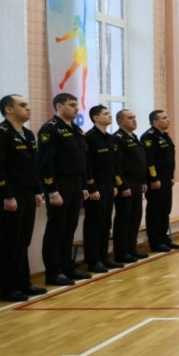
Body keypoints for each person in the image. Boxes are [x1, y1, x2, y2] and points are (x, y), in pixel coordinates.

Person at [38, 93, 91, 285]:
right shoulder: (50, 129)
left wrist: (83, 185)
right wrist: (52, 190)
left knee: (69, 228)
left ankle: (68, 267)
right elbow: (45, 163)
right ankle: (53, 272)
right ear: (59, 106)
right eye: (72, 105)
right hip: (59, 185)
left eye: (77, 105)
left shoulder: (76, 129)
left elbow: (81, 161)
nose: (76, 108)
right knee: (56, 229)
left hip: (75, 184)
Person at [0, 94, 46, 301]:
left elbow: (32, 165)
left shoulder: (27, 133)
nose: (28, 108)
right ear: (9, 110)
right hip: (11, 195)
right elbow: (0, 167)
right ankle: (8, 288)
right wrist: (7, 195)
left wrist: (37, 191)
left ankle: (24, 283)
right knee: (9, 242)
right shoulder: (2, 133)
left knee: (23, 241)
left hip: (27, 194)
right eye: (23, 105)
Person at [83, 105, 121, 273]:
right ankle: (93, 260)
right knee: (94, 224)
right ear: (96, 118)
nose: (110, 115)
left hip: (108, 186)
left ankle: (104, 257)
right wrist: (91, 187)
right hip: (96, 187)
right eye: (106, 114)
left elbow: (113, 165)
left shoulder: (110, 138)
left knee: (106, 223)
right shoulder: (90, 138)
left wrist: (114, 184)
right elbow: (88, 165)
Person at [142, 110, 179, 253]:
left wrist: (170, 177)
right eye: (164, 118)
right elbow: (149, 160)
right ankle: (156, 242)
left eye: (167, 117)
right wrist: (153, 178)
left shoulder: (164, 136)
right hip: (156, 180)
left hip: (165, 179)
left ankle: (164, 239)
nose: (168, 120)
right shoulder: (149, 136)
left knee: (165, 209)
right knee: (155, 211)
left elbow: (169, 159)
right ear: (155, 121)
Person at [112, 109, 147, 264]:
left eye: (134, 117)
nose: (134, 120)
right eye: (130, 118)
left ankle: (131, 249)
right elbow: (116, 165)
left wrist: (144, 181)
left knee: (135, 218)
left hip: (137, 184)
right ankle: (121, 252)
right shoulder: (118, 138)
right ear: (120, 121)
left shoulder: (134, 137)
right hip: (126, 185)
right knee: (124, 219)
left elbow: (141, 162)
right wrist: (122, 185)